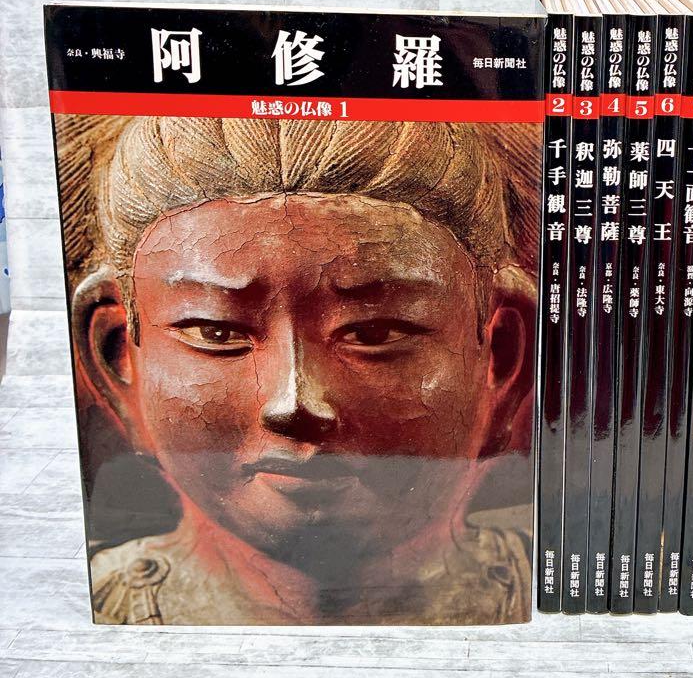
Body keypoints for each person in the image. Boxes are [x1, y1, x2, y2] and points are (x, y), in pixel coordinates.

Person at [59, 115, 538, 625]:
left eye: (374, 334)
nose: (294, 403)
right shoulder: (77, 603)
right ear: (116, 360)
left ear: (503, 359)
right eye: (216, 333)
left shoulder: (553, 578)